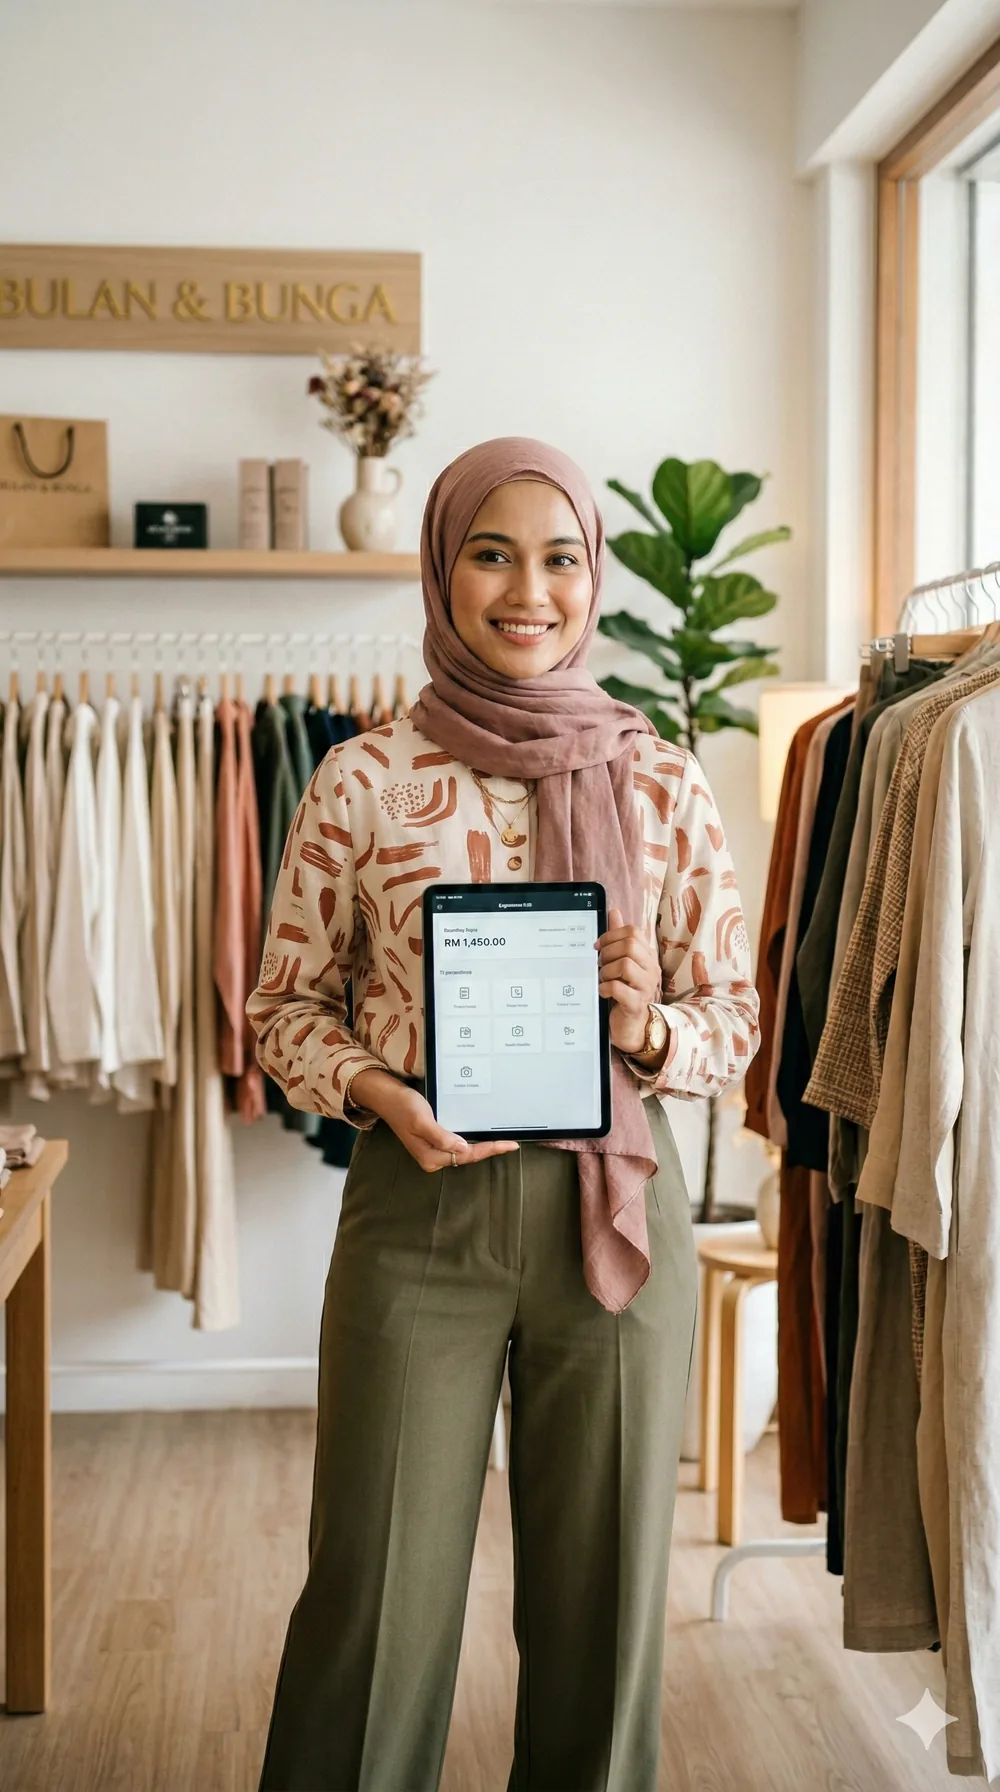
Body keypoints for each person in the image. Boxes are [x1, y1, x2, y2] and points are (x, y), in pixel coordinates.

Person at [247, 437, 760, 1792]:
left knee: (601, 1620)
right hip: (421, 1208)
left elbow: (735, 1020)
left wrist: (650, 1025)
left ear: (594, 579)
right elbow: (282, 1011)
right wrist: (375, 1092)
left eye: (559, 558)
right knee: (374, 1603)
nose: (525, 589)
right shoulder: (359, 780)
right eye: (491, 552)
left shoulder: (663, 779)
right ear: (442, 568)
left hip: (620, 1221)